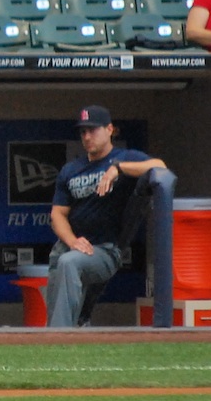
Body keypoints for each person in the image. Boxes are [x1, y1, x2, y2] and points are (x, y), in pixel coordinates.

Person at [47, 105, 168, 329]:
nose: (87, 136)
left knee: (69, 263)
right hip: (69, 247)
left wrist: (118, 169)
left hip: (104, 249)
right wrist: (73, 241)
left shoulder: (124, 157)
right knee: (62, 280)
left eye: (93, 130)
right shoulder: (71, 169)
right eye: (83, 132)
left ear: (109, 129)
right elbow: (57, 214)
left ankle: (59, 338)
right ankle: (69, 330)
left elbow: (160, 167)